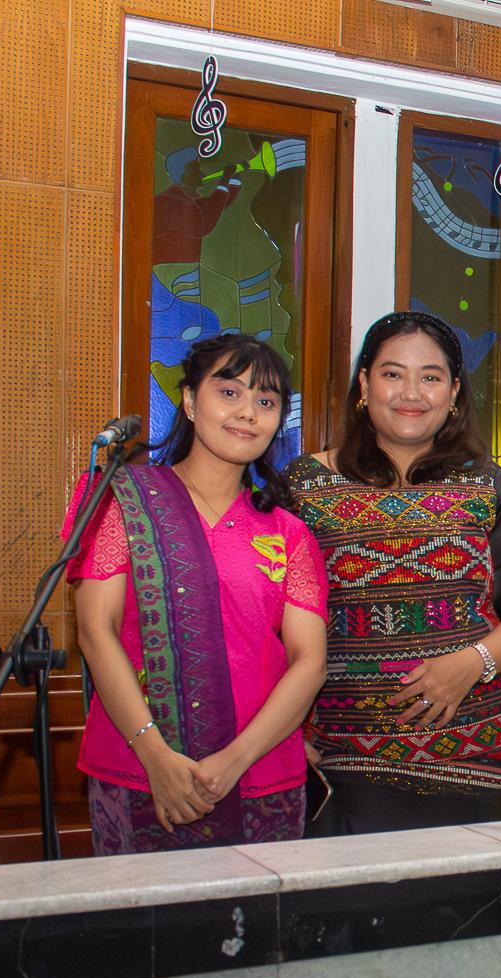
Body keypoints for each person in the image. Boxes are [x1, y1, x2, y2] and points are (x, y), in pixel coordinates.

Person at [286, 311, 501, 832]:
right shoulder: (305, 486)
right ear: (364, 384)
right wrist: (282, 731)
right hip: (338, 762)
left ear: (453, 392)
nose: (411, 392)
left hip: (472, 761)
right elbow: (265, 617)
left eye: (430, 377)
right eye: (392, 373)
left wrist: (473, 663)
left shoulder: (486, 484)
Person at [69, 334, 327, 853]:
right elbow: (96, 632)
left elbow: (310, 662)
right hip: (137, 770)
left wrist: (232, 762)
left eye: (266, 402)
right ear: (189, 401)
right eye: (229, 393)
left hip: (260, 776)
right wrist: (156, 757)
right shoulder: (121, 501)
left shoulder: (288, 532)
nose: (248, 413)